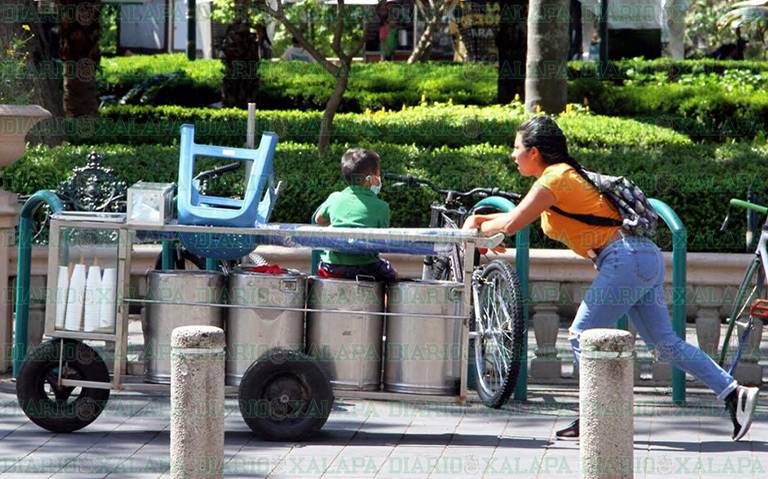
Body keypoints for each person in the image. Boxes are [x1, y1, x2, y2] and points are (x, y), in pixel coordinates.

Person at [462, 115, 759, 441]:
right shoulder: (558, 180)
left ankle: (599, 417)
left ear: (534, 152)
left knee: (580, 336)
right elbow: (513, 217)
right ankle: (734, 393)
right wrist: (481, 220)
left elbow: (512, 224)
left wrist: (475, 226)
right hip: (640, 256)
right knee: (666, 345)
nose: (513, 155)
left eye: (516, 148)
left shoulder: (554, 179)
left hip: (625, 258)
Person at [314, 148, 397, 283]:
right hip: (366, 268)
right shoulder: (382, 207)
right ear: (371, 179)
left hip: (332, 267)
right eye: (378, 174)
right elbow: (382, 242)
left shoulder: (334, 198)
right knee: (391, 275)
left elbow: (318, 219)